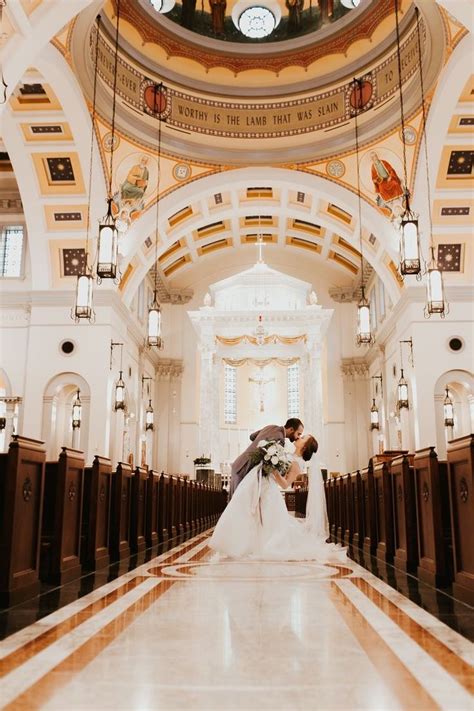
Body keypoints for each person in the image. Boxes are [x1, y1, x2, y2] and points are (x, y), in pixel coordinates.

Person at [210, 434, 346, 562]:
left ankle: (256, 545)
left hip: (270, 489)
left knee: (266, 520)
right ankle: (241, 543)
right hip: (262, 483)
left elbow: (285, 484)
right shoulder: (290, 454)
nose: (299, 437)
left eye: (303, 437)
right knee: (248, 511)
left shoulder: (297, 464)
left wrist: (274, 471)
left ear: (304, 447)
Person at [229, 418, 304, 497]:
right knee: (238, 500)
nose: (298, 437)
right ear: (291, 429)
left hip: (239, 463)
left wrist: (261, 439)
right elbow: (270, 463)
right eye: (298, 434)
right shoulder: (280, 439)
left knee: (234, 501)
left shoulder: (271, 427)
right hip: (245, 467)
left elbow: (252, 436)